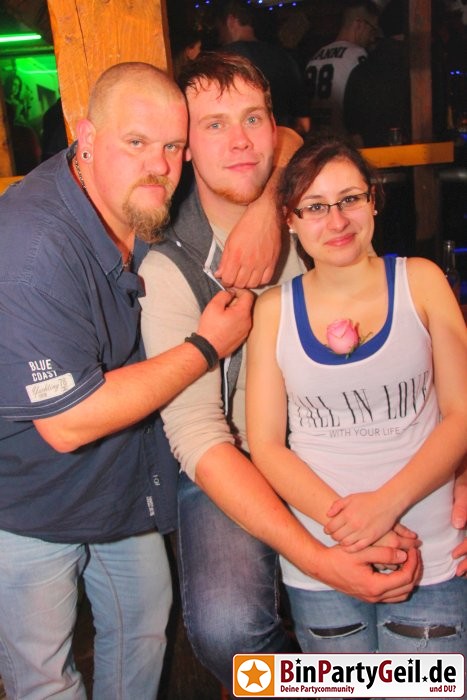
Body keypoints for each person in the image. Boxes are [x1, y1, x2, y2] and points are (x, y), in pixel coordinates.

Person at [139, 53, 422, 694]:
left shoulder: (320, 213)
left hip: (349, 437)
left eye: (253, 119)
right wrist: (316, 557)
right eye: (214, 125)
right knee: (228, 631)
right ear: (185, 147)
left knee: (415, 581)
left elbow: (409, 342)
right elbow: (199, 437)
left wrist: (271, 207)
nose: (240, 140)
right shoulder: (169, 266)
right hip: (236, 457)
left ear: (274, 127)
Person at [0, 61, 255, 700]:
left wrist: (265, 211)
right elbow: (67, 423)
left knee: (144, 632)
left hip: (122, 484)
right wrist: (206, 347)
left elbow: (282, 144)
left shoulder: (145, 199)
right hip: (28, 500)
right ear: (86, 138)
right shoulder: (31, 246)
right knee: (44, 678)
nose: (158, 165)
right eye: (136, 142)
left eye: (172, 146)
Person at [246, 135, 467, 673]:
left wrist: (385, 505)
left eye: (350, 199)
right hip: (325, 560)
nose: (337, 220)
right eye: (315, 207)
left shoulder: (421, 281)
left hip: (428, 548)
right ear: (290, 219)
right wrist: (350, 526)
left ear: (373, 200)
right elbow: (266, 445)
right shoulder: (273, 311)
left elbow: (462, 413)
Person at [214, 0, 310, 135]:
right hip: (282, 140)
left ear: (231, 21)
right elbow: (303, 122)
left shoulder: (219, 60)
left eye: (219, 29)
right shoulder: (284, 57)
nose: (220, 36)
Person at [305, 0, 380, 135]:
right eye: (372, 30)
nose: (372, 38)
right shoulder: (358, 56)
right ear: (359, 24)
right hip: (343, 139)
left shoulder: (316, 56)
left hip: (316, 138)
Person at [344, 0, 411, 147]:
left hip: (371, 155)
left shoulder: (360, 70)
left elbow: (352, 128)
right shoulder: (419, 69)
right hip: (415, 156)